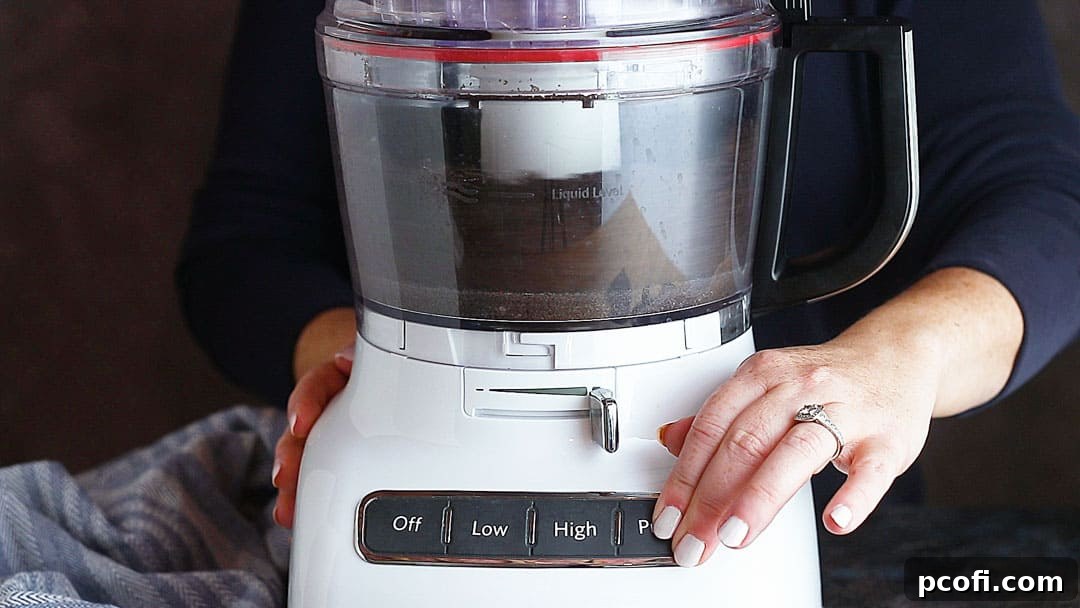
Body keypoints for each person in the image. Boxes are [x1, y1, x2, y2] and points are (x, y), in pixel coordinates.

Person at [177, 0, 1080, 568]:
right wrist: (361, 372)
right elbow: (246, 241)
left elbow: (1045, 200)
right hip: (419, 403)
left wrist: (897, 359)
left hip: (781, 471)